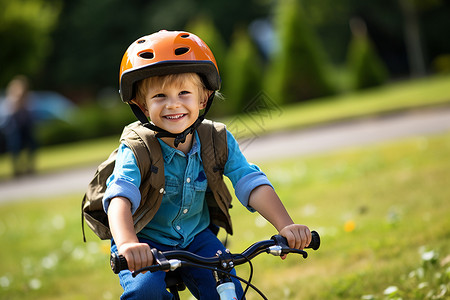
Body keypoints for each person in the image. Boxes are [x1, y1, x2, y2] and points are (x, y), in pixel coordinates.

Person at [104, 30, 312, 300]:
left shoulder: (217, 139)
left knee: (227, 288)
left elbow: (250, 181)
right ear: (142, 106)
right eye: (159, 97)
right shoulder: (136, 148)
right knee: (146, 292)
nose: (173, 104)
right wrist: (128, 244)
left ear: (203, 98)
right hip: (144, 240)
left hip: (198, 238)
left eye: (184, 93)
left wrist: (285, 225)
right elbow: (120, 196)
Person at [1, 75, 37, 177]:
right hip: (14, 129)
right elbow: (7, 118)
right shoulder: (10, 101)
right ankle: (16, 168)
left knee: (32, 143)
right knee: (14, 144)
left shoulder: (28, 99)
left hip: (25, 129)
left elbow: (31, 116)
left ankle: (30, 166)